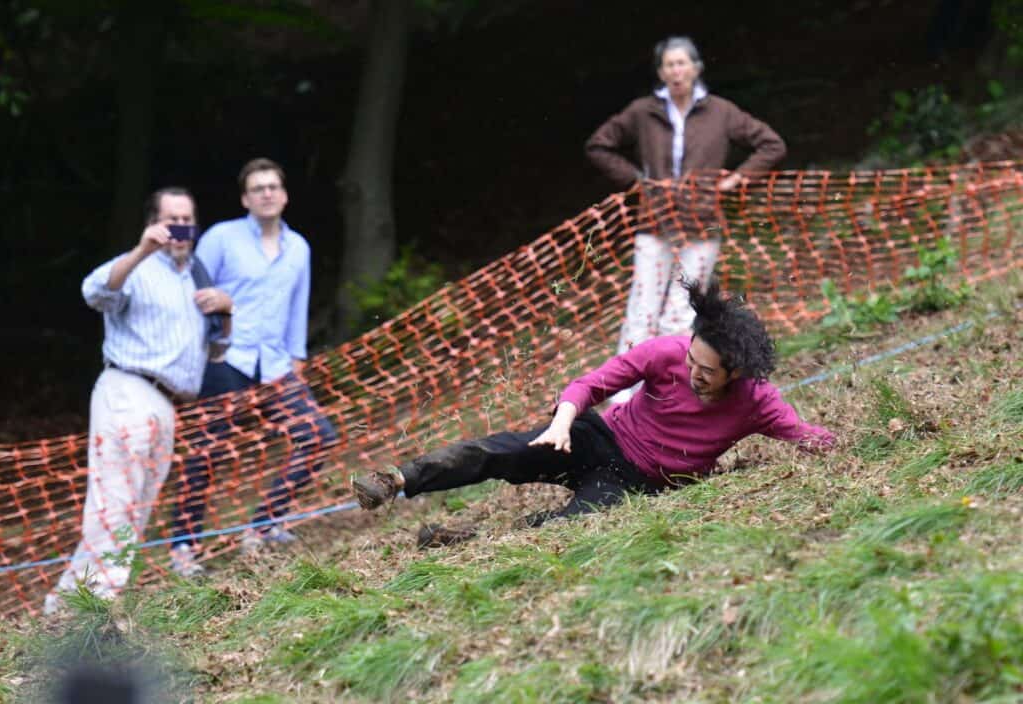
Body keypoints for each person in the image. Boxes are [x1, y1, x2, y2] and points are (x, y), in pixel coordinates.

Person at [352, 278, 834, 527]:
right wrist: (562, 423)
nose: (694, 375)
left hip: (645, 481)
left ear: (738, 373)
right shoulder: (666, 352)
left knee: (568, 527)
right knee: (499, 452)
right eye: (692, 363)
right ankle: (396, 479)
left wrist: (863, 439)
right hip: (598, 437)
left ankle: (462, 541)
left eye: (707, 373)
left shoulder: (758, 402)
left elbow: (807, 436)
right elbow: (590, 385)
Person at [45, 188, 233, 614]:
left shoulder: (198, 276)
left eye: (188, 220)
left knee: (138, 506)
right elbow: (95, 292)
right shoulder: (139, 266)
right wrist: (142, 249)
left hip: (168, 403)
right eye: (172, 221)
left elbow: (217, 350)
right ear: (155, 223)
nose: (181, 230)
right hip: (128, 391)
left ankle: (66, 604)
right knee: (115, 500)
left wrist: (228, 308)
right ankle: (98, 607)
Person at [585, 36, 786, 401]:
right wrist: (638, 182)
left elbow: (771, 144)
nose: (677, 71)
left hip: (701, 224)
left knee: (681, 311)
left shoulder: (721, 111)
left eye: (683, 63)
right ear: (661, 72)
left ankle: (666, 390)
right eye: (669, 65)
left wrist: (737, 179)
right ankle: (622, 397)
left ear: (696, 67)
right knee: (641, 310)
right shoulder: (643, 111)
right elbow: (599, 144)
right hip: (655, 222)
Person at [169, 158, 336, 571]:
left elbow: (298, 306)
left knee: (318, 435)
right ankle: (183, 547)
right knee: (209, 452)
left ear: (285, 195)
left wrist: (297, 357)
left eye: (273, 187)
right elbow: (193, 290)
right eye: (258, 188)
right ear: (245, 198)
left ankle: (263, 526)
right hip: (227, 358)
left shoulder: (299, 248)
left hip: (277, 365)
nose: (266, 193)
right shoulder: (221, 238)